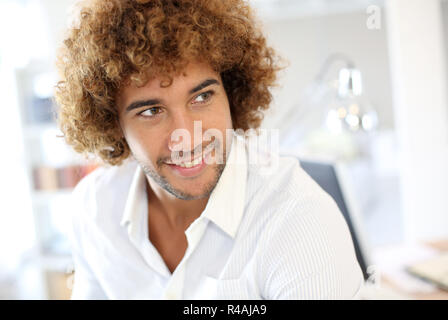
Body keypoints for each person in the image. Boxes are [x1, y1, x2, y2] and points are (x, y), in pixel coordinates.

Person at [55, 0, 364, 299]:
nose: (187, 138)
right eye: (151, 111)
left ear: (231, 90)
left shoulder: (299, 222)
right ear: (113, 123)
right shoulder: (93, 210)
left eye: (201, 97)